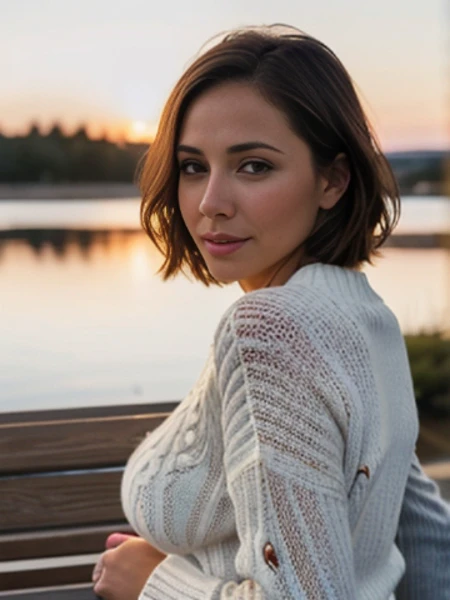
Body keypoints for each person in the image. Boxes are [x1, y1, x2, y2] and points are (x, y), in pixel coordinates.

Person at [92, 25, 450, 599]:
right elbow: (422, 537)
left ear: (332, 180)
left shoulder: (268, 334)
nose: (211, 203)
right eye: (192, 167)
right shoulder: (366, 318)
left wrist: (153, 584)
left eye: (253, 166)